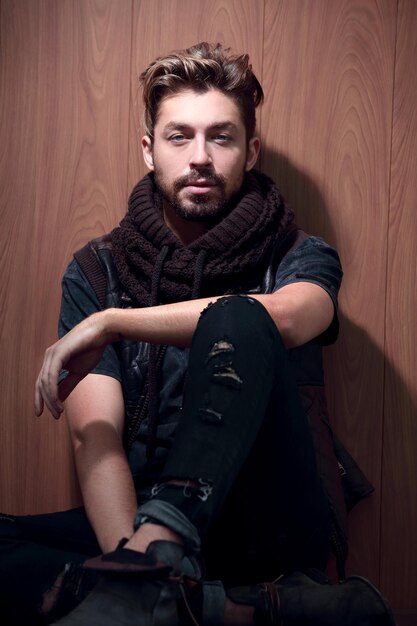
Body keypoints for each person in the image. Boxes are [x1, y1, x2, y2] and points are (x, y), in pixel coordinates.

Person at [0, 42, 394, 626]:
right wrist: (132, 572)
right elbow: (96, 438)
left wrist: (112, 322)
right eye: (179, 136)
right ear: (149, 150)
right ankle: (217, 607)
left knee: (241, 315)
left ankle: (171, 581)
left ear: (251, 151)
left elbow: (285, 317)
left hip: (268, 521)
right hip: (134, 523)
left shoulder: (299, 255)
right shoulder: (98, 270)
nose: (201, 157)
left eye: (222, 137)